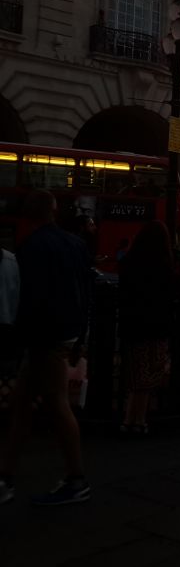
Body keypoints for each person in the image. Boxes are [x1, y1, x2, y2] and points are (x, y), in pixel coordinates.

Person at [0, 190, 92, 506]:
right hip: (64, 335)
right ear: (54, 210)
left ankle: (76, 479)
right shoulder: (77, 244)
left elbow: (28, 301)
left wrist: (17, 341)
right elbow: (85, 291)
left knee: (55, 404)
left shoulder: (30, 248)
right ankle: (5, 476)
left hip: (44, 340)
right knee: (21, 404)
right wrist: (81, 338)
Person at [117, 221, 176, 436]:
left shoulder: (129, 262)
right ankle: (138, 420)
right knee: (149, 375)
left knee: (136, 374)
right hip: (157, 326)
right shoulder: (165, 264)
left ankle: (129, 418)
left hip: (133, 326)